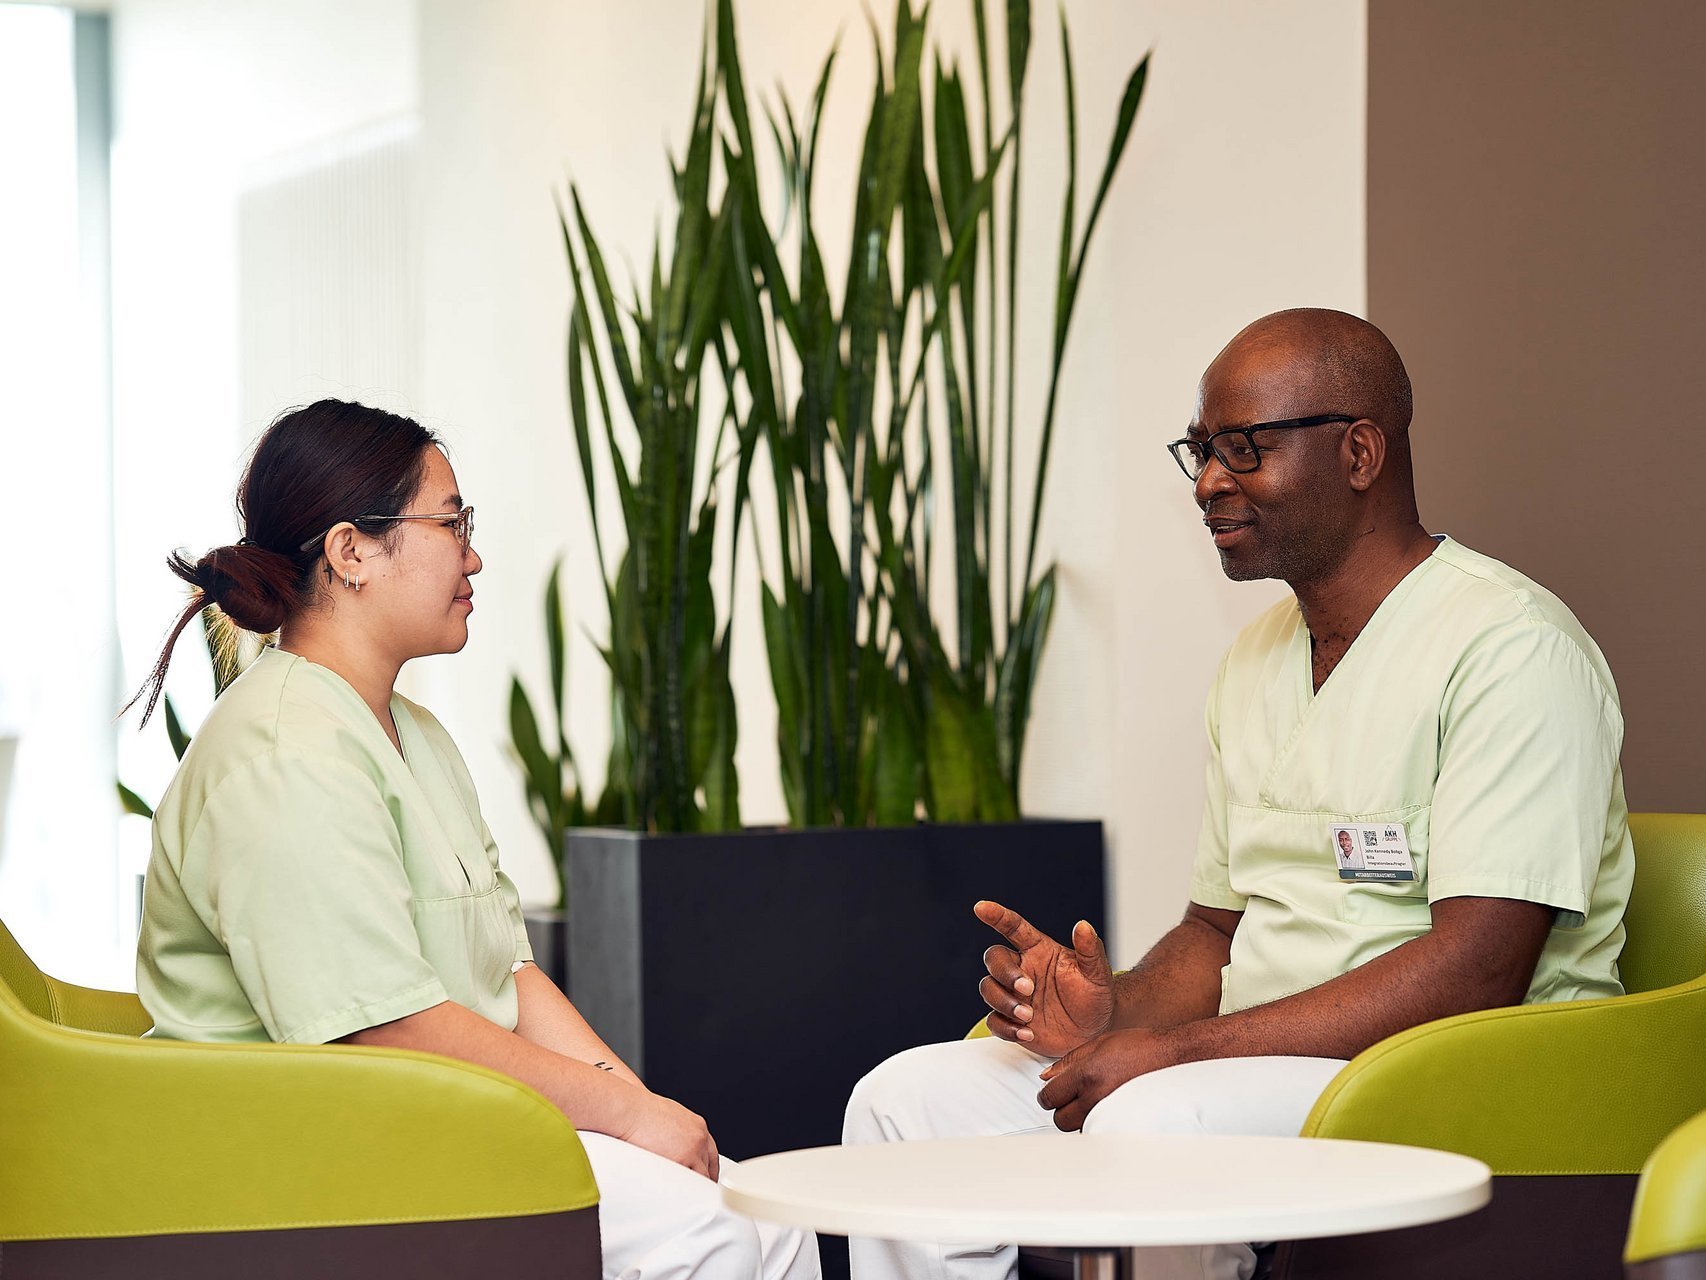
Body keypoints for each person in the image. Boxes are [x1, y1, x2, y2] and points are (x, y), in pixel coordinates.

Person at [843, 309, 1633, 1280]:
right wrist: (1114, 1009)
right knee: (904, 1099)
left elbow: (1475, 968)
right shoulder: (1255, 659)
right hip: (1242, 1059)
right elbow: (1216, 931)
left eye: (1244, 448)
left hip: (1451, 1068)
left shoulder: (1511, 649)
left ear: (1356, 451)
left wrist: (1175, 1052)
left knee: (1149, 1117)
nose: (1209, 480)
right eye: (1200, 450)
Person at [133, 400, 819, 1280]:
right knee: (706, 1233)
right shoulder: (281, 752)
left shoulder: (412, 734)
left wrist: (643, 1107)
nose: (474, 553)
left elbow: (510, 975)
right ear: (351, 553)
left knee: (772, 1220)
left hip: (448, 1120)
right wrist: (623, 1117)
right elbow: (385, 1032)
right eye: (451, 523)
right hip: (316, 1153)